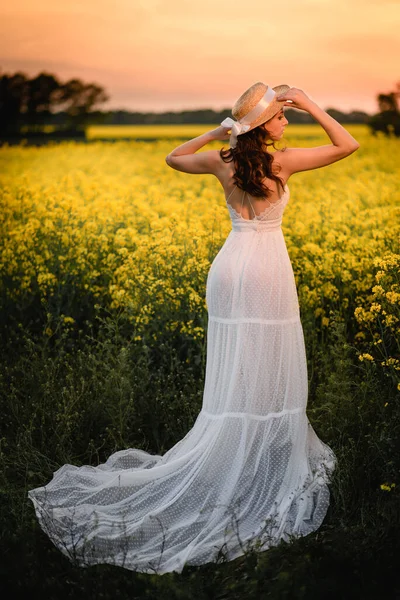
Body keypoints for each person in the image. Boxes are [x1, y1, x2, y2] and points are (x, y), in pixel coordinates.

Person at [28, 82, 360, 576]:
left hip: (230, 267)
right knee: (268, 356)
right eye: (281, 116)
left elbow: (173, 156)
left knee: (240, 363)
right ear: (265, 125)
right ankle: (258, 457)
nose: (287, 122)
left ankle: (236, 448)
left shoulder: (221, 161)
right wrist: (310, 101)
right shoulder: (282, 162)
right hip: (266, 269)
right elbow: (347, 145)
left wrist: (218, 131)